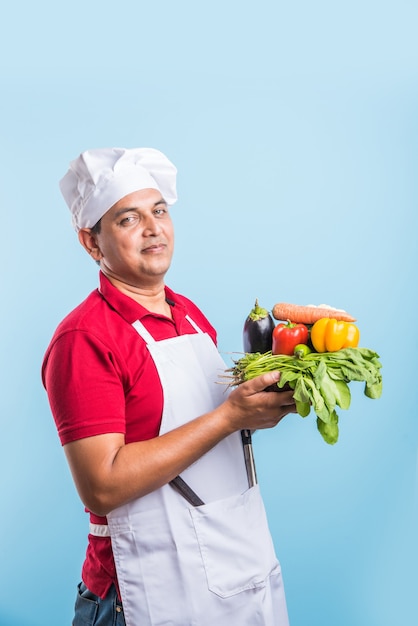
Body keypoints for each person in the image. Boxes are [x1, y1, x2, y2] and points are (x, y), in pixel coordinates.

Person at [42, 147, 297, 626]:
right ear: (90, 242)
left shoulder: (191, 316)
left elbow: (206, 430)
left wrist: (264, 405)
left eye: (159, 211)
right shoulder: (84, 338)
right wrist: (230, 416)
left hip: (237, 563)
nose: (153, 228)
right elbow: (102, 485)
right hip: (142, 589)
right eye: (128, 219)